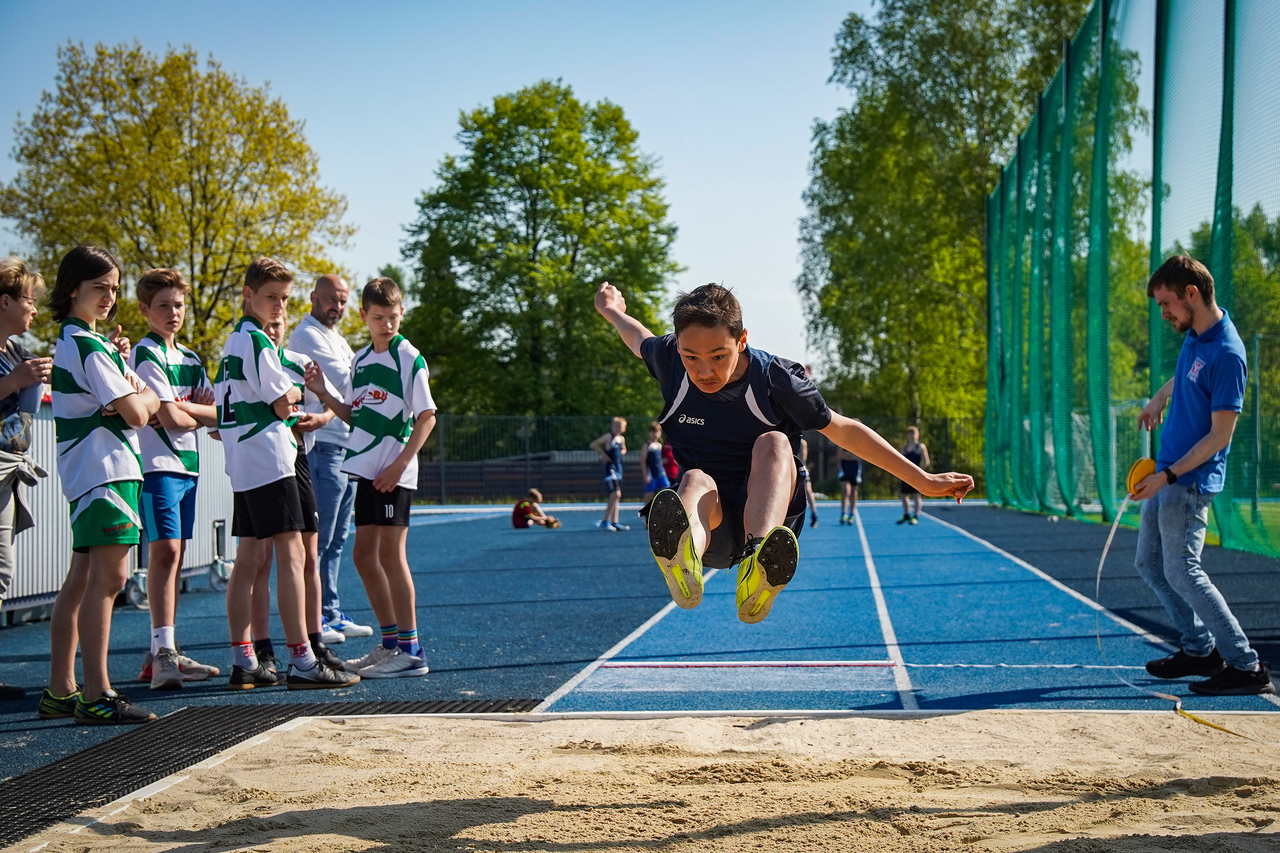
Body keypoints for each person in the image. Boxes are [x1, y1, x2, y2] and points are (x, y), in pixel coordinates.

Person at [594, 281, 972, 624]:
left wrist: (921, 479)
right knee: (694, 478)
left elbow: (844, 430)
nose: (704, 370)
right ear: (677, 345)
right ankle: (685, 558)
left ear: (742, 340)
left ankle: (758, 561)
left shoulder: (776, 380)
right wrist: (611, 310)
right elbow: (638, 337)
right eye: (691, 357)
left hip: (768, 509)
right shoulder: (670, 360)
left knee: (774, 442)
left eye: (718, 356)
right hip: (712, 523)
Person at [1131, 255, 1274, 696]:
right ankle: (1198, 650)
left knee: (1183, 572)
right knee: (1149, 564)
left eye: (1166, 303)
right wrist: (1159, 396)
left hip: (1188, 483)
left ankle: (1246, 665)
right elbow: (1187, 376)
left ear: (1191, 294)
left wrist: (1169, 476)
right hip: (1168, 475)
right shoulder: (1196, 335)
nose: (1163, 313)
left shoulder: (1228, 353)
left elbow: (1220, 436)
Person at [215, 257, 356, 691]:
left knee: (249, 559)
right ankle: (302, 659)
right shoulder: (255, 340)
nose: (279, 306)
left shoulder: (235, 341)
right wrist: (294, 390)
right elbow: (282, 402)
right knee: (292, 555)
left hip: (245, 460)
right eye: (271, 297)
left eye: (285, 299)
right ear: (248, 296)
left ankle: (245, 658)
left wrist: (290, 391)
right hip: (270, 458)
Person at [39, 246, 160, 724]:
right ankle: (96, 693)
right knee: (108, 581)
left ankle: (61, 688)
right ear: (73, 289)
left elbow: (131, 405)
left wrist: (136, 395)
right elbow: (139, 411)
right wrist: (146, 393)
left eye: (113, 288)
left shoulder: (84, 341)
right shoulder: (88, 345)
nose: (109, 296)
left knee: (82, 579)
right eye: (99, 287)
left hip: (93, 473)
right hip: (105, 472)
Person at [305, 277, 437, 679]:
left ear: (402, 313)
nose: (387, 324)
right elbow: (355, 416)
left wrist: (399, 465)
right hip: (366, 471)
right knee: (363, 555)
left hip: (394, 473)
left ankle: (411, 651)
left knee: (391, 556)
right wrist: (323, 393)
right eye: (378, 317)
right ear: (363, 316)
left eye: (393, 317)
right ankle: (391, 642)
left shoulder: (408, 356)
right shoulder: (360, 360)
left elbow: (427, 417)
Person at [128, 268, 222, 690]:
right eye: (163, 305)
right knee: (164, 552)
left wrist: (189, 412)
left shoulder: (191, 359)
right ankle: (164, 651)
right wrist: (191, 412)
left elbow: (217, 415)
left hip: (189, 466)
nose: (173, 312)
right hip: (157, 466)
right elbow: (169, 417)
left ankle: (161, 652)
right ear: (145, 310)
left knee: (177, 556)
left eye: (179, 305)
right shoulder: (146, 353)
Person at [287, 274, 372, 640]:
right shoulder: (307, 336)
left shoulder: (336, 338)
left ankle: (331, 611)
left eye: (342, 300)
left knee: (337, 538)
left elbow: (351, 383)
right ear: (313, 297)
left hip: (344, 445)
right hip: (323, 447)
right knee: (319, 539)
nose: (337, 306)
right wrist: (382, 389)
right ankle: (316, 618)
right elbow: (347, 382)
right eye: (331, 299)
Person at [264, 315, 347, 672]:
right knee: (261, 559)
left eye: (278, 322)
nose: (272, 329)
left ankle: (315, 641)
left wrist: (321, 418)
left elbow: (336, 401)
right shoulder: (250, 358)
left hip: (300, 459)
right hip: (263, 464)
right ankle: (261, 647)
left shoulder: (299, 362)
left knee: (310, 553)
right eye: (266, 324)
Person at [0, 258, 51, 702]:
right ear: (5, 302)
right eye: (29, 300)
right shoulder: (13, 362)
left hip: (10, 467)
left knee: (2, 571)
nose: (34, 309)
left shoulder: (17, 351)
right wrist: (14, 382)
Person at [590, 417, 628, 531]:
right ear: (612, 426)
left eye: (620, 427)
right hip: (610, 468)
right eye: (615, 426)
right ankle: (605, 520)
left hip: (618, 468)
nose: (617, 429)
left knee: (617, 495)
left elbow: (624, 449)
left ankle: (615, 521)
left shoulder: (621, 438)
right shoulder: (608, 437)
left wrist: (622, 452)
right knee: (615, 493)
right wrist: (603, 455)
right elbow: (593, 445)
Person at [896, 426, 929, 525]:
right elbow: (900, 461)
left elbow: (926, 461)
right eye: (909, 434)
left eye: (913, 434)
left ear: (917, 435)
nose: (911, 436)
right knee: (903, 495)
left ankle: (915, 516)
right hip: (906, 475)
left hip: (916, 476)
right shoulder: (905, 447)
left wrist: (920, 472)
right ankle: (906, 514)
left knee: (916, 495)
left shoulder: (920, 447)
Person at [639, 422, 670, 519]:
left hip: (660, 472)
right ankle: (646, 515)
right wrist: (645, 475)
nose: (655, 434)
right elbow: (643, 460)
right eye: (653, 432)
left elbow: (659, 459)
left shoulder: (659, 444)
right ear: (650, 433)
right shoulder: (647, 445)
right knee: (649, 495)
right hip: (651, 474)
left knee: (667, 491)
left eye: (657, 432)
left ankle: (664, 514)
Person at [837, 444, 863, 525]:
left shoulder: (857, 444)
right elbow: (840, 455)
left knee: (853, 492)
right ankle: (843, 513)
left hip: (855, 468)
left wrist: (848, 456)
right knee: (846, 491)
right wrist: (852, 455)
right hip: (845, 468)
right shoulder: (842, 443)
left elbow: (859, 456)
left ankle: (852, 514)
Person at [799, 437, 818, 527]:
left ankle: (814, 513)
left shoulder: (802, 443)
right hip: (789, 469)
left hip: (800, 467)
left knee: (808, 490)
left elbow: (803, 458)